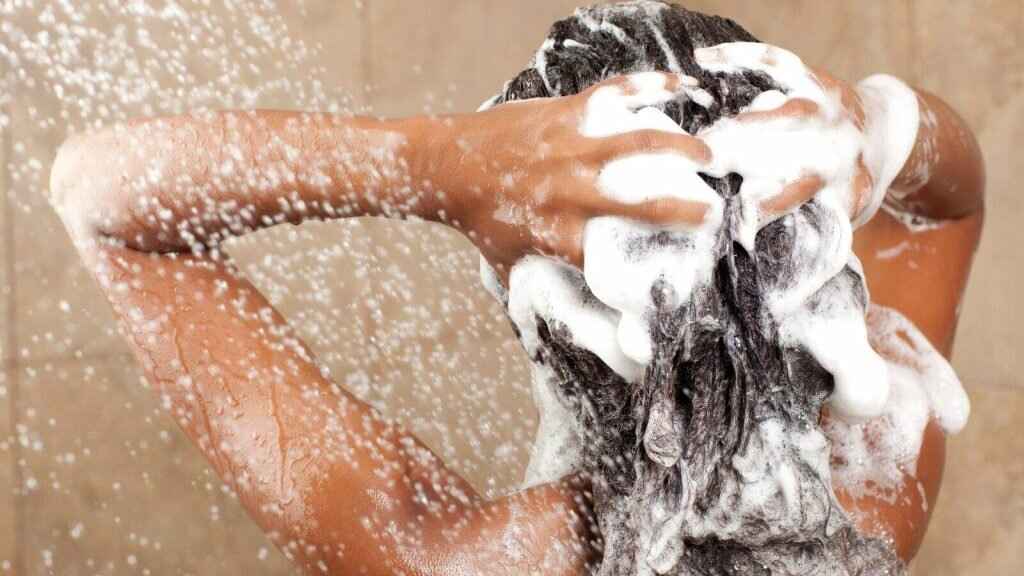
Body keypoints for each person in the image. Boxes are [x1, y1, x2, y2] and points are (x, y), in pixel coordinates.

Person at [49, 3, 983, 574]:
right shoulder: (877, 492)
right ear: (813, 249)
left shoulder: (440, 558)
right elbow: (947, 207)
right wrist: (871, 124)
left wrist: (445, 166)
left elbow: (101, 202)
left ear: (535, 295)